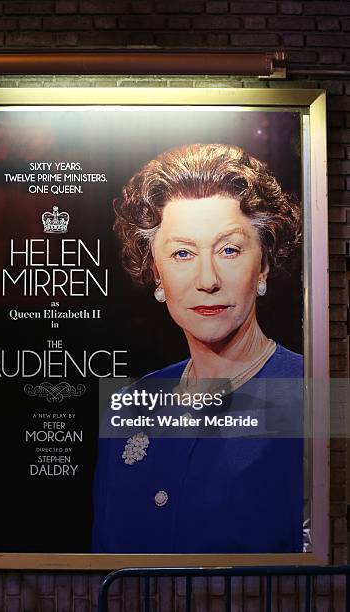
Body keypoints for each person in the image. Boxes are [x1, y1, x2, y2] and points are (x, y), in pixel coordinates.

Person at [92, 143, 304, 554]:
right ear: (156, 271)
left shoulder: (310, 393)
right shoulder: (130, 404)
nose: (207, 279)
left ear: (263, 265)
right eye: (182, 253)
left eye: (228, 250)